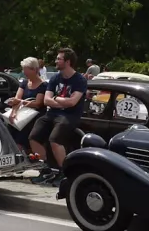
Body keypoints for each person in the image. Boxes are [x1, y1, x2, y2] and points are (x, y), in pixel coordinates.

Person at [30, 47, 88, 185]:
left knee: (55, 139)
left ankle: (64, 172)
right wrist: (62, 102)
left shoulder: (79, 80)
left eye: (59, 59)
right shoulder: (55, 78)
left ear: (67, 62)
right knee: (34, 136)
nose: (56, 61)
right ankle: (45, 169)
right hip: (52, 113)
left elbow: (73, 102)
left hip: (70, 116)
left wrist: (56, 99)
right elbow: (46, 100)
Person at [6, 56, 47, 153]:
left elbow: (37, 104)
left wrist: (20, 102)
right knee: (9, 125)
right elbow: (17, 99)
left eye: (26, 70)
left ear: (35, 70)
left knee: (24, 129)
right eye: (23, 69)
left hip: (35, 115)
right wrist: (13, 112)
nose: (24, 72)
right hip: (22, 113)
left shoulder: (43, 85)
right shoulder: (24, 83)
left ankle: (21, 151)